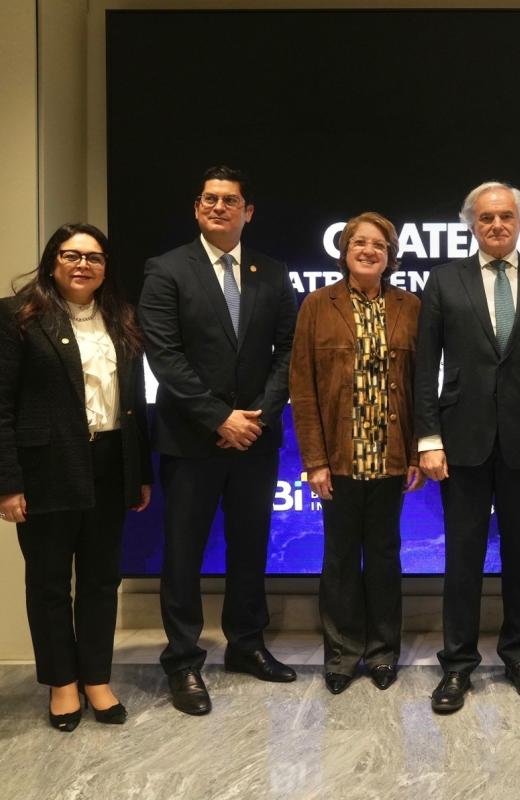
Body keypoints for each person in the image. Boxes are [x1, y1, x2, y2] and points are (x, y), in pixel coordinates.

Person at [137, 165, 299, 716]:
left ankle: (246, 645)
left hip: (255, 438)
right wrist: (219, 418)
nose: (219, 207)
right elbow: (165, 356)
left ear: (247, 211)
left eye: (230, 200)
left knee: (250, 548)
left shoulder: (272, 273)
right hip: (191, 441)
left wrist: (253, 417)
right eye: (210, 199)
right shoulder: (166, 271)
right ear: (197, 208)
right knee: (182, 555)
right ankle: (183, 660)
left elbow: (288, 353)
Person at [414, 182, 520, 714]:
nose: (497, 226)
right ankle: (457, 665)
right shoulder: (443, 281)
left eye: (506, 217)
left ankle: (517, 655)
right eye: (486, 218)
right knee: (462, 557)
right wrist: (428, 437)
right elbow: (423, 368)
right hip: (460, 441)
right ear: (472, 224)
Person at [0, 223, 152, 731]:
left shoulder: (122, 320)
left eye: (95, 257)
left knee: (101, 581)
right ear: (52, 262)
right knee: (47, 583)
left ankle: (96, 679)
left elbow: (134, 405)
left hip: (110, 463)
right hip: (45, 469)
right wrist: (8, 481)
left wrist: (141, 472)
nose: (83, 264)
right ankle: (62, 684)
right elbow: (1, 406)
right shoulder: (17, 316)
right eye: (72, 255)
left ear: (106, 267)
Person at [290, 212, 423, 695]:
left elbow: (418, 385)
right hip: (340, 458)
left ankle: (384, 651)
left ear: (390, 255)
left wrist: (414, 451)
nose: (369, 250)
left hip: (389, 457)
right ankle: (343, 655)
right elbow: (302, 386)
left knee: (385, 556)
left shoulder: (410, 307)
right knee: (341, 557)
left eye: (379, 245)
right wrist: (315, 460)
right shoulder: (317, 306)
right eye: (359, 243)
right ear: (345, 250)